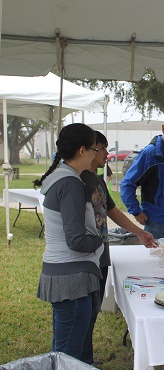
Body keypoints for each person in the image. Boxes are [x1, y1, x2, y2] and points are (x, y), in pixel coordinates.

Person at [80, 131, 157, 364]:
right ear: (89, 149)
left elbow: (112, 212)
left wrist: (140, 233)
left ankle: (86, 359)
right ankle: (80, 360)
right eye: (102, 149)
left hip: (102, 255)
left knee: (92, 312)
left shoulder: (97, 179)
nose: (106, 154)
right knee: (83, 314)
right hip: (86, 258)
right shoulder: (78, 180)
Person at [33, 123, 103, 363]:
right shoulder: (71, 183)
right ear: (82, 150)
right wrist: (99, 239)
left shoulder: (60, 176)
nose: (96, 155)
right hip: (71, 279)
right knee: (67, 356)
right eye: (95, 149)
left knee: (69, 349)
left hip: (64, 275)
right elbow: (76, 240)